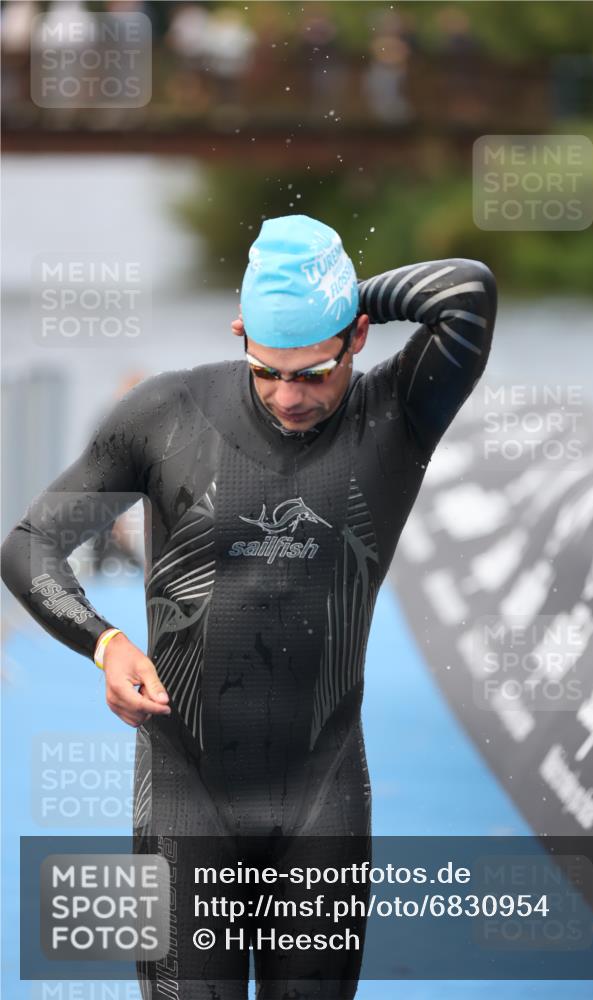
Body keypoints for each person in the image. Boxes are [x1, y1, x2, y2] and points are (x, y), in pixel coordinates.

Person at [0, 214, 497, 999]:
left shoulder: (396, 417)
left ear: (358, 338)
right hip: (183, 794)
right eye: (266, 368)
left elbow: (466, 292)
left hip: (321, 799)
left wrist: (324, 298)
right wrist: (105, 644)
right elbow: (28, 544)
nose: (289, 395)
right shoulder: (165, 415)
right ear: (240, 331)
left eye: (313, 370)